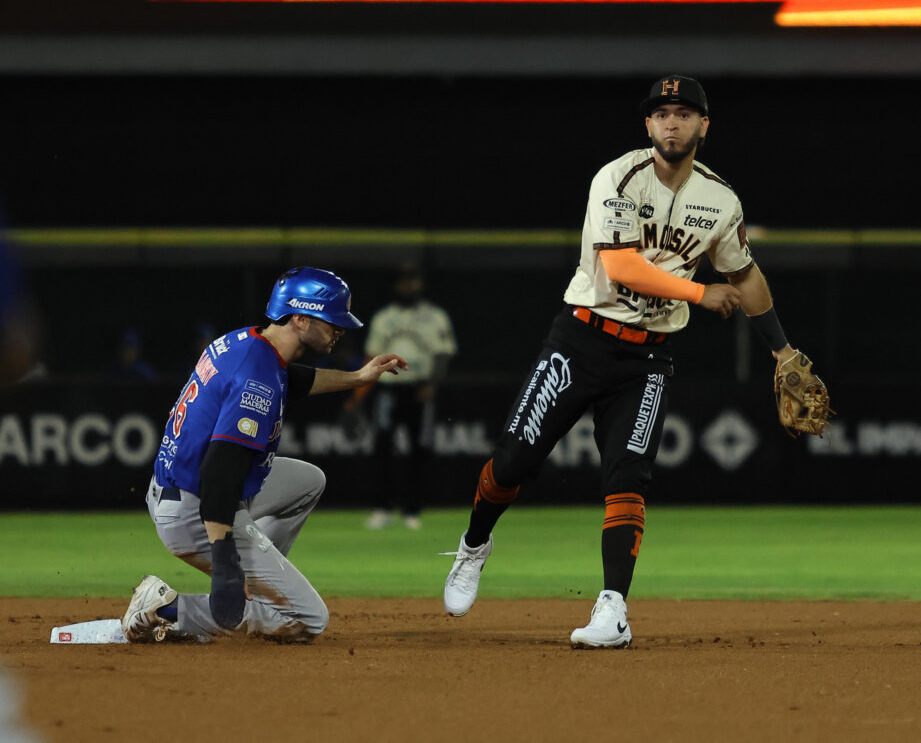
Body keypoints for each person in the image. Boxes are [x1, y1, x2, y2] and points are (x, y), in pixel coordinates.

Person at [442, 75, 809, 648]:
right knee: (514, 461)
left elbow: (744, 275)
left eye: (683, 113)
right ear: (647, 125)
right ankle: (473, 545)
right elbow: (621, 266)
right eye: (661, 113)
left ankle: (613, 608)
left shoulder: (720, 200)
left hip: (648, 357)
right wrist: (700, 293)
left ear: (704, 125)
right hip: (580, 340)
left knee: (629, 475)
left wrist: (781, 349)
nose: (671, 122)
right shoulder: (617, 177)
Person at [121, 267, 406, 643]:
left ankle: (260, 580)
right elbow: (218, 474)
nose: (340, 328)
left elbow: (294, 380)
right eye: (331, 319)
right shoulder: (256, 379)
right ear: (300, 319)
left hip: (179, 488)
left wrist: (357, 378)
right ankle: (166, 610)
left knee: (309, 482)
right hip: (196, 506)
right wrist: (226, 563)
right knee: (309, 620)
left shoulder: (249, 343)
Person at [355, 265, 457, 531]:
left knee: (419, 451)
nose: (408, 286)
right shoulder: (384, 318)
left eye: (413, 281)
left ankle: (412, 509)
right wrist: (358, 395)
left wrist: (432, 383)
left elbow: (443, 354)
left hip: (419, 389)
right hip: (389, 389)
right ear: (396, 285)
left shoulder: (434, 317)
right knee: (382, 448)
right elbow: (371, 356)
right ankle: (383, 508)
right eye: (404, 281)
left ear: (420, 284)